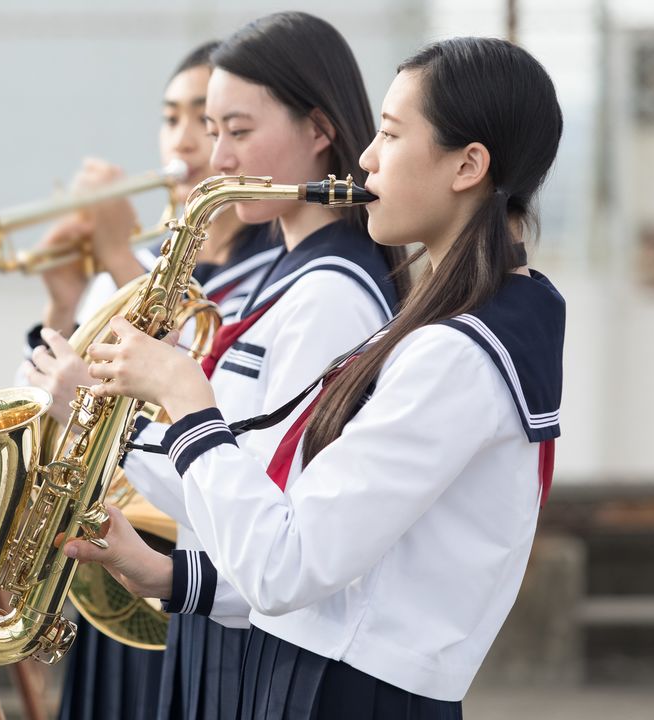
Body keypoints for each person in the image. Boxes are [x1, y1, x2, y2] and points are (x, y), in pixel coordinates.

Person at [69, 36, 566, 719]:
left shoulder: (459, 353)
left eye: (390, 135)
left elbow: (288, 566)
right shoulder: (465, 324)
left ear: (468, 165)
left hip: (347, 692)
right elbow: (317, 548)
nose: (366, 158)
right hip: (335, 677)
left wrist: (187, 403)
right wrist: (172, 571)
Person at [52, 12, 410, 720]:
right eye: (212, 132)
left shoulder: (330, 297)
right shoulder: (293, 274)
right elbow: (234, 485)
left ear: (319, 131)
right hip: (231, 631)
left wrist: (114, 426)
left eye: (237, 132)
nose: (215, 159)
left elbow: (276, 526)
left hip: (266, 653)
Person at [36, 40, 280, 720]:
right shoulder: (149, 259)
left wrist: (118, 258)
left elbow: (196, 406)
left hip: (186, 572)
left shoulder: (266, 280)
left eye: (213, 125)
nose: (186, 144)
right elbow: (53, 404)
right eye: (172, 119)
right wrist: (60, 302)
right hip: (106, 562)